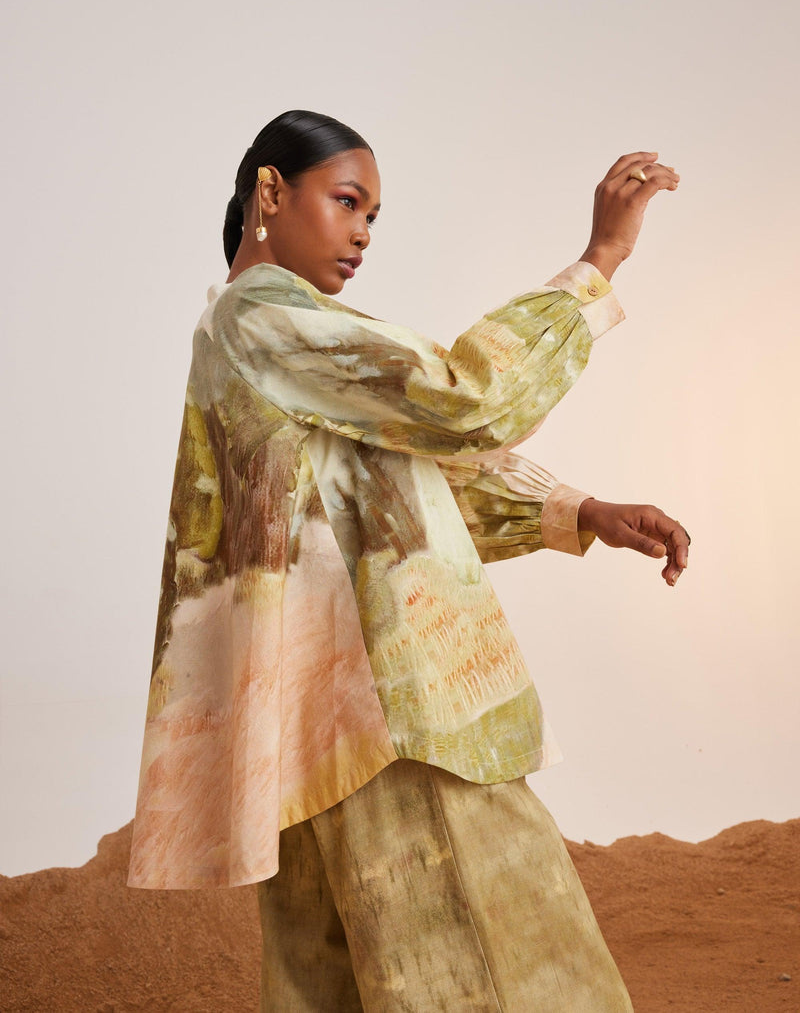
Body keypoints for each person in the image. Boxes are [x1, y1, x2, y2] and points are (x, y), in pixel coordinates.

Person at [127, 110, 689, 1011]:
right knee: (506, 964)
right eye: (347, 201)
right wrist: (600, 260)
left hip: (312, 729)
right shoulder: (262, 318)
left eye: (374, 216)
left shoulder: (255, 338)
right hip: (386, 712)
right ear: (270, 192)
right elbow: (462, 400)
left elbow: (387, 488)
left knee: (334, 981)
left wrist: (580, 512)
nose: (362, 233)